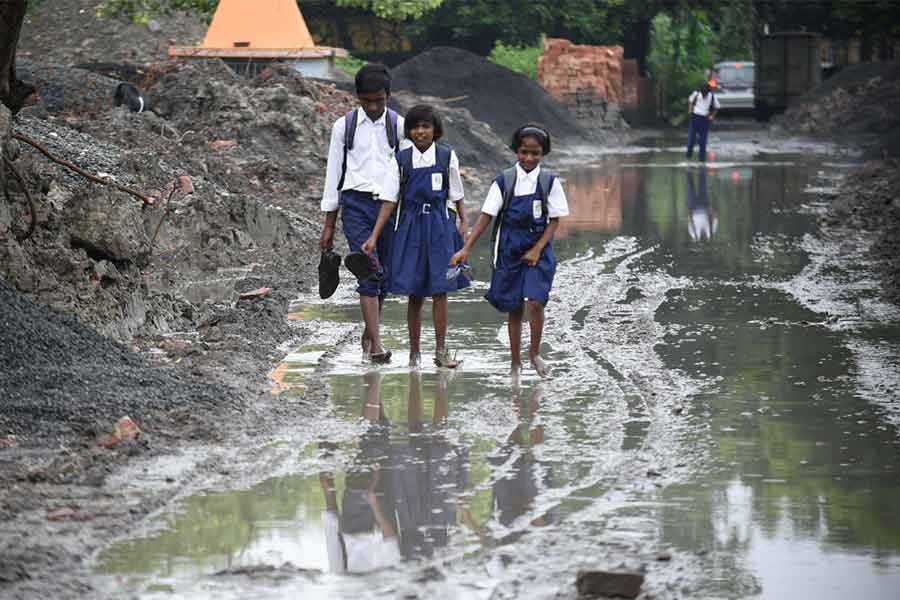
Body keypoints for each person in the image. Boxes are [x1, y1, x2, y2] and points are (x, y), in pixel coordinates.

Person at [450, 124, 568, 378]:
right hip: (509, 250)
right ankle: (515, 362)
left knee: (536, 301)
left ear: (543, 154)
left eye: (535, 153)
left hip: (539, 250)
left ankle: (534, 353)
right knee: (514, 306)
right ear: (516, 151)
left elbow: (555, 220)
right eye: (524, 152)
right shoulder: (504, 181)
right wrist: (466, 248)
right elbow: (486, 217)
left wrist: (537, 249)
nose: (529, 158)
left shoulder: (549, 182)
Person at [364, 104, 469, 368]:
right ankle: (414, 353)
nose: (420, 131)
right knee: (415, 292)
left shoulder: (447, 157)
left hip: (440, 226)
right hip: (410, 227)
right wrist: (374, 236)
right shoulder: (401, 161)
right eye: (415, 127)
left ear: (435, 130)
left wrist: (464, 223)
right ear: (408, 132)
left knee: (441, 289)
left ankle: (441, 351)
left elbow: (456, 195)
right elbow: (389, 200)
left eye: (426, 126)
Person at [319, 63, 404, 364]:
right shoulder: (344, 127)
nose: (372, 107)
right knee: (368, 271)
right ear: (356, 97)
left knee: (386, 277)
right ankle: (376, 345)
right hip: (355, 206)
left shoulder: (400, 126)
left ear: (388, 96)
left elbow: (407, 173)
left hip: (390, 209)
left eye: (378, 100)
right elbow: (333, 177)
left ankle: (369, 332)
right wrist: (329, 225)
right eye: (366, 101)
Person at [686, 82, 720, 162]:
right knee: (691, 139)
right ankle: (688, 156)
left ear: (708, 92)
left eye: (706, 94)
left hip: (705, 119)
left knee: (703, 141)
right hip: (695, 117)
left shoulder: (712, 96)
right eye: (703, 93)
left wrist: (712, 116)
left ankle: (702, 159)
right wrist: (690, 111)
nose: (704, 95)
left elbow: (717, 107)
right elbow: (690, 101)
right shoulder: (696, 94)